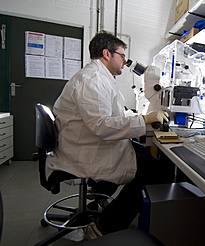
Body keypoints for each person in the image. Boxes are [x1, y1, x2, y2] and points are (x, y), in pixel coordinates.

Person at [46, 30, 170, 237]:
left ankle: (101, 195)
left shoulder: (100, 77)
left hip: (85, 142)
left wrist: (138, 117)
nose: (125, 61)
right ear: (107, 54)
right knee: (156, 172)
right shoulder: (92, 80)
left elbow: (112, 113)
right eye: (122, 56)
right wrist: (144, 120)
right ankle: (104, 226)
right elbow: (102, 125)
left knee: (141, 153)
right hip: (84, 152)